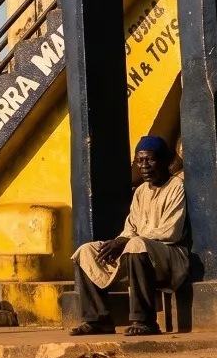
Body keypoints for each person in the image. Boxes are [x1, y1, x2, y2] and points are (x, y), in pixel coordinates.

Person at [69, 135, 190, 336]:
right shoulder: (141, 191)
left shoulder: (176, 187)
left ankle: (145, 321)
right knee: (87, 251)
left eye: (150, 160)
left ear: (165, 161)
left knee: (136, 245)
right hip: (137, 253)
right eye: (140, 160)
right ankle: (98, 320)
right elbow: (130, 228)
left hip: (170, 256)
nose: (144, 166)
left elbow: (170, 232)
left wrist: (126, 242)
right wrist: (117, 242)